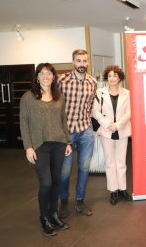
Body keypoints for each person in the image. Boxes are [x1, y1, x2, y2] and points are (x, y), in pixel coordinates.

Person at [20, 63, 72, 236]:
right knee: (46, 183)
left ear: (53, 76)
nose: (45, 76)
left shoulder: (59, 96)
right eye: (42, 73)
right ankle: (44, 218)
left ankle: (53, 214)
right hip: (39, 145)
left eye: (49, 73)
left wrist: (68, 142)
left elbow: (63, 121)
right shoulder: (28, 97)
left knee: (56, 182)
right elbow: (24, 123)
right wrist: (28, 147)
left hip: (59, 144)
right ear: (37, 77)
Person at [58, 49, 97, 217]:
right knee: (65, 171)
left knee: (84, 168)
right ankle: (64, 202)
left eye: (84, 61)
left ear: (88, 62)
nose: (82, 64)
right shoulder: (62, 81)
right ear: (73, 62)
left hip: (86, 131)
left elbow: (90, 107)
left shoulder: (92, 82)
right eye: (79, 61)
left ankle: (80, 201)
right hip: (66, 133)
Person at [92, 65, 132, 205]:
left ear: (120, 78)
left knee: (121, 162)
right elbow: (95, 111)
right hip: (106, 131)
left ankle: (122, 188)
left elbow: (129, 112)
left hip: (122, 130)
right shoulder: (99, 92)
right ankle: (113, 191)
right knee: (110, 162)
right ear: (106, 78)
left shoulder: (127, 93)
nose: (112, 78)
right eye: (109, 76)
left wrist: (118, 125)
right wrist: (108, 123)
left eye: (115, 75)